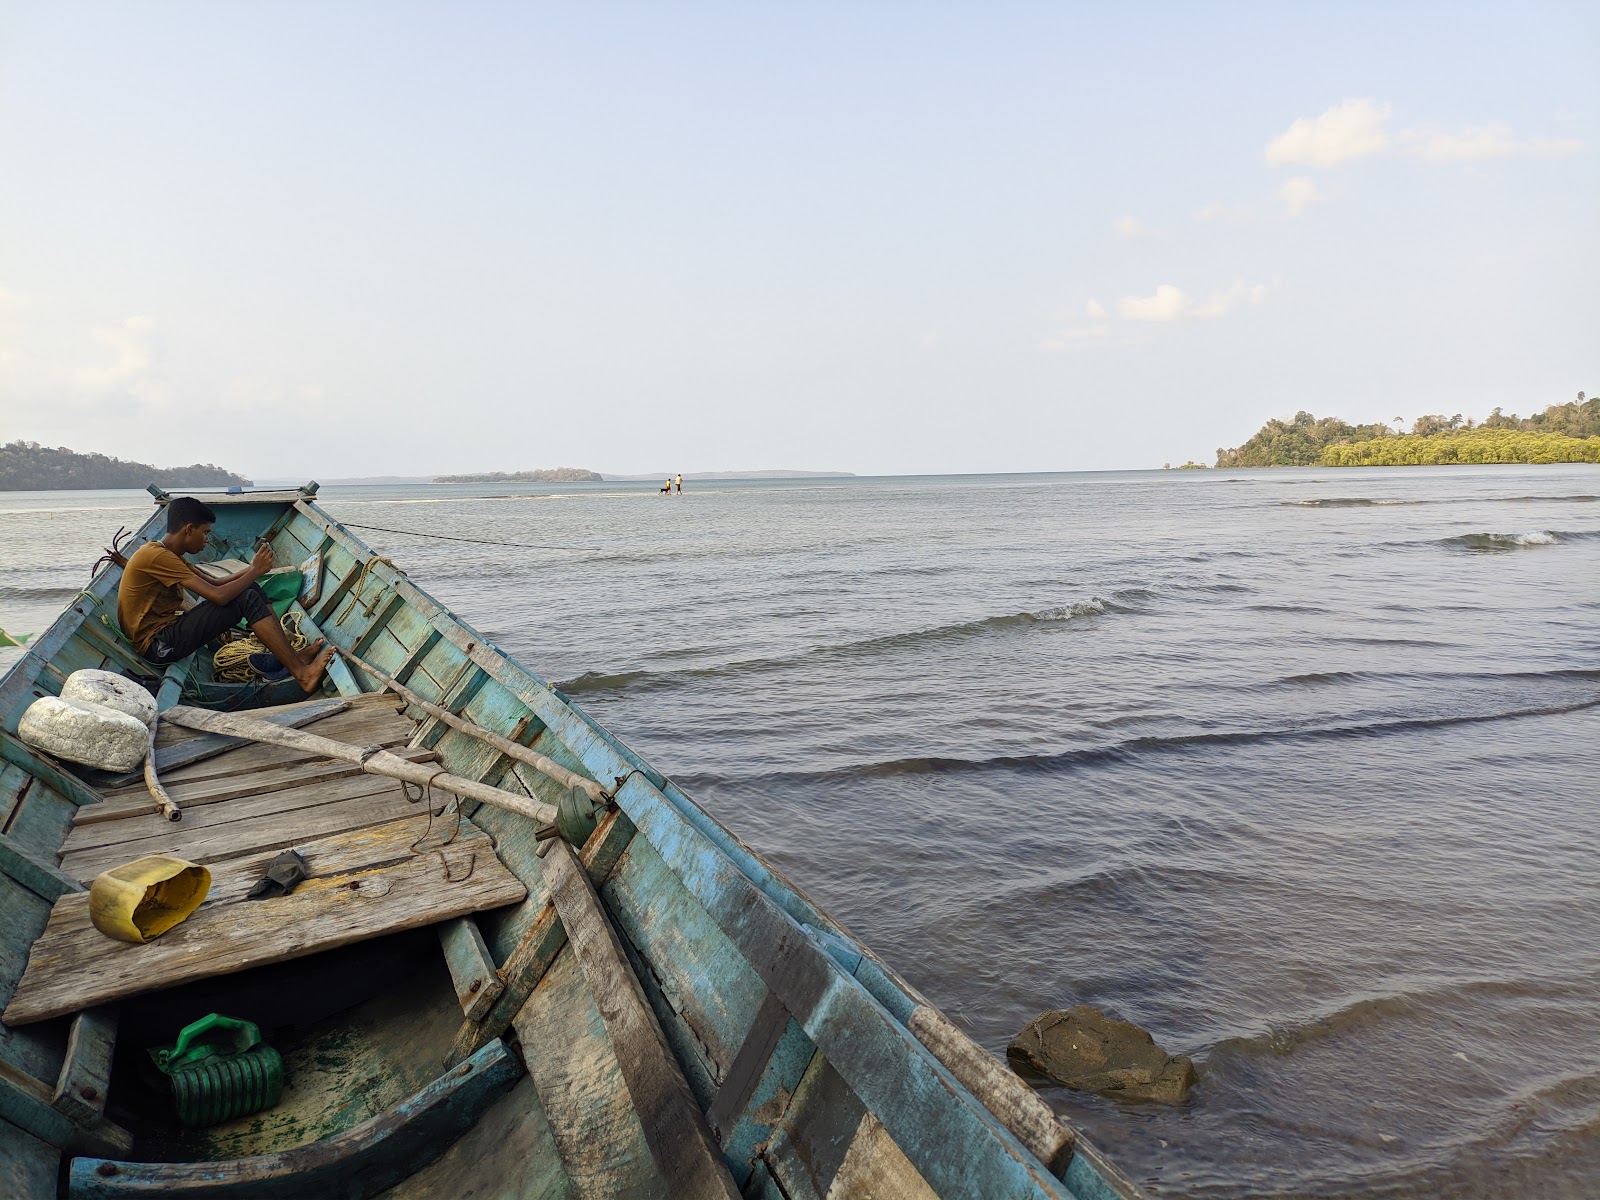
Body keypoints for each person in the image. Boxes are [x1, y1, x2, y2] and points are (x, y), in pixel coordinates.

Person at [117, 496, 334, 692]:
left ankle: (293, 659)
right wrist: (256, 571)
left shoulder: (166, 552)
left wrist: (252, 569)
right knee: (246, 597)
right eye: (205, 533)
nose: (207, 540)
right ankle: (303, 675)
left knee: (251, 589)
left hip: (166, 636)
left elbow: (214, 581)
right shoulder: (156, 556)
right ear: (189, 529)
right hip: (158, 646)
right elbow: (218, 595)